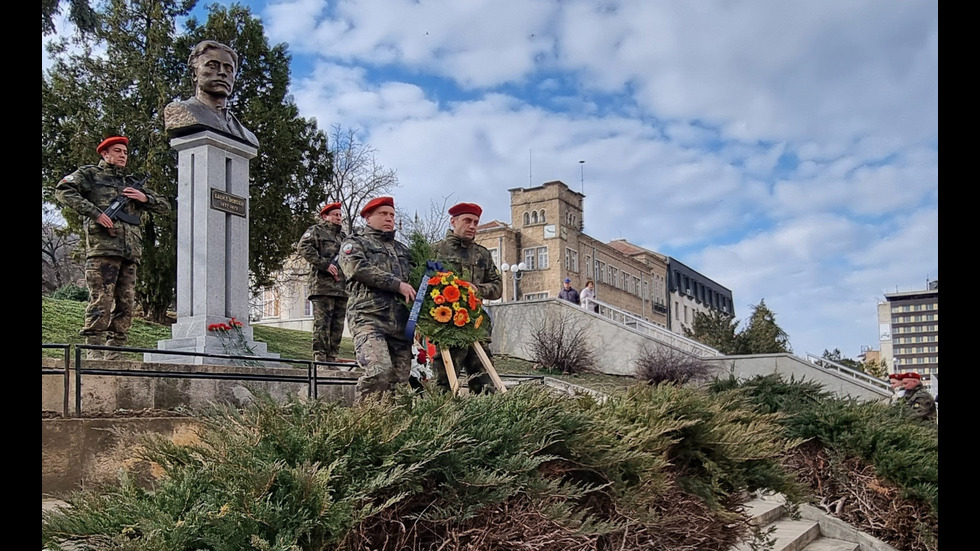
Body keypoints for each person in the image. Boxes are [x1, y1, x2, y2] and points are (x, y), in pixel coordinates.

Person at [54, 136, 172, 360]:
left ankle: (116, 349)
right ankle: (95, 349)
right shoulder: (91, 175)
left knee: (126, 303)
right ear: (104, 154)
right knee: (101, 300)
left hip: (129, 252)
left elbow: (165, 206)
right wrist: (96, 213)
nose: (122, 155)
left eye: (125, 152)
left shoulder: (131, 182)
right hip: (103, 250)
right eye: (117, 151)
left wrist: (144, 197)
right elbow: (63, 190)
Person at [338, 196, 417, 400]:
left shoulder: (403, 251)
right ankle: (366, 424)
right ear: (367, 217)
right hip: (369, 319)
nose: (389, 218)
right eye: (383, 214)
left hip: (400, 326)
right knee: (379, 372)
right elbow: (356, 268)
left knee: (399, 385)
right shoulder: (355, 243)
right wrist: (397, 284)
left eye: (391, 214)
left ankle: (394, 429)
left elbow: (418, 282)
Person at [429, 202, 504, 394]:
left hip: (475, 326)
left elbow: (497, 288)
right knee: (444, 383)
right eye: (467, 221)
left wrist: (476, 289)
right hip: (446, 327)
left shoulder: (482, 255)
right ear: (453, 221)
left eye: (476, 222)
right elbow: (422, 285)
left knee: (485, 381)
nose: (472, 226)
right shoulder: (435, 251)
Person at [163, 40, 259, 147]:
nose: (222, 73)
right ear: (194, 74)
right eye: (212, 66)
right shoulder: (181, 111)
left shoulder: (246, 135)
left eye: (229, 69)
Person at [297, 202, 348, 363]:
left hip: (341, 288)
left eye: (340, 215)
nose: (338, 218)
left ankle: (332, 357)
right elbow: (303, 246)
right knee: (322, 324)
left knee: (337, 325)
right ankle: (320, 358)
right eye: (335, 214)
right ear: (325, 216)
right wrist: (324, 264)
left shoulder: (344, 238)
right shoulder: (316, 231)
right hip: (322, 286)